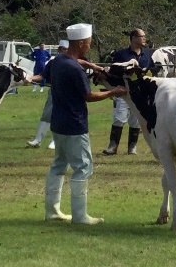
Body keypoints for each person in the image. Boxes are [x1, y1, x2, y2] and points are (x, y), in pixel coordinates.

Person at [43, 23, 126, 224]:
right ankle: (80, 216)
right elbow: (88, 96)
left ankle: (52, 211)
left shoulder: (57, 62)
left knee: (59, 165)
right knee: (83, 167)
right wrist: (112, 92)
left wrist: (90, 65)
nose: (89, 46)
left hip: (58, 122)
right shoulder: (74, 69)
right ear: (80, 43)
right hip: (74, 123)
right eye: (88, 43)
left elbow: (72, 62)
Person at [102, 28, 152, 155]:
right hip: (123, 92)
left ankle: (132, 147)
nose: (144, 38)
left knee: (136, 120)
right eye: (142, 36)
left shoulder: (147, 55)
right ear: (134, 38)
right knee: (119, 118)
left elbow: (151, 72)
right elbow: (113, 73)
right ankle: (112, 146)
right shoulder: (121, 54)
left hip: (140, 94)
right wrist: (113, 89)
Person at [28, 40, 68, 148]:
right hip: (54, 91)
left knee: (60, 116)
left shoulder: (73, 62)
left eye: (66, 49)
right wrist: (29, 78)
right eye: (63, 49)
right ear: (59, 50)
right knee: (46, 115)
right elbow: (42, 76)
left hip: (67, 93)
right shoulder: (52, 62)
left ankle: (54, 141)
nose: (65, 51)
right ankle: (37, 140)